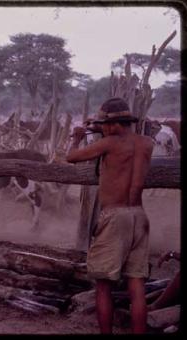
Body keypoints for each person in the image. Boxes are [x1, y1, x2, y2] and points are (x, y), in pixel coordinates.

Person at [66, 97, 154, 334]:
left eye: (104, 123)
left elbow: (71, 157)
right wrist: (98, 127)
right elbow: (120, 136)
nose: (101, 127)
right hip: (139, 216)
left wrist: (77, 137)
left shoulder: (109, 144)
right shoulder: (146, 143)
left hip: (115, 217)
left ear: (113, 125)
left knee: (103, 284)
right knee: (137, 285)